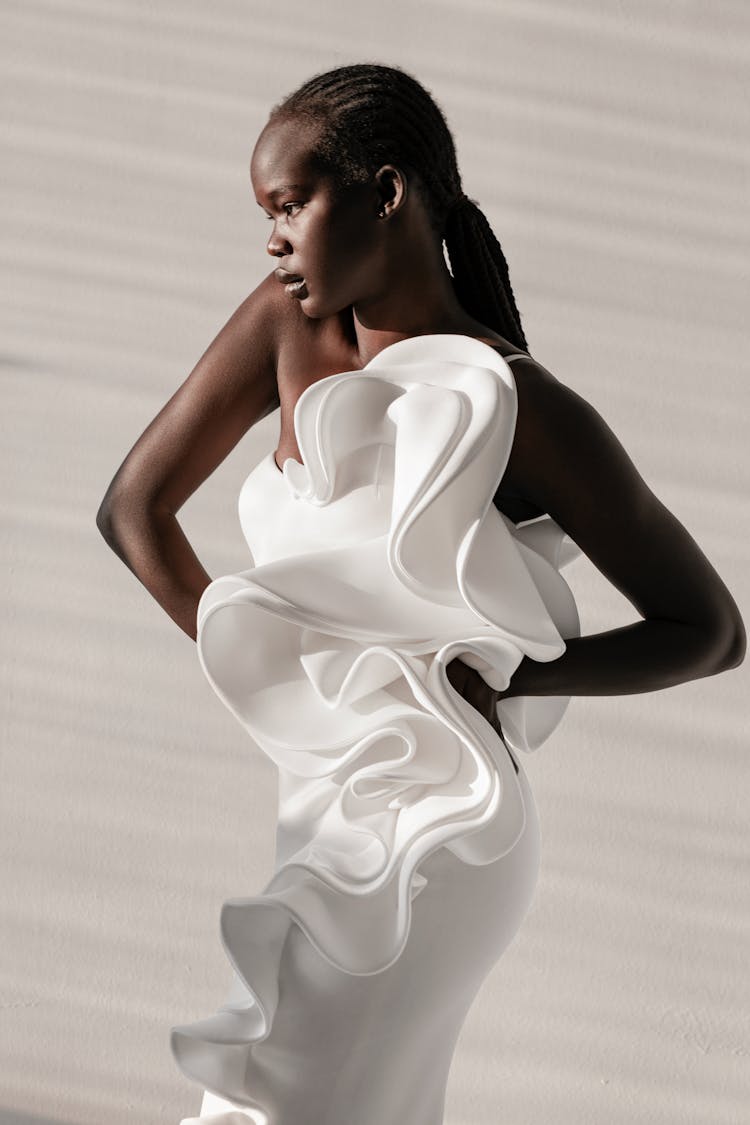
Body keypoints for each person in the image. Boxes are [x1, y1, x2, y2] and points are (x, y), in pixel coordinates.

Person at [97, 63, 745, 1125]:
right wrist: (278, 670)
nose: (271, 240)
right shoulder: (282, 328)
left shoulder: (515, 401)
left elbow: (711, 631)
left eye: (288, 204)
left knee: (289, 1098)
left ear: (385, 194)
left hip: (455, 823)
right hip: (324, 807)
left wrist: (523, 676)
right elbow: (133, 510)